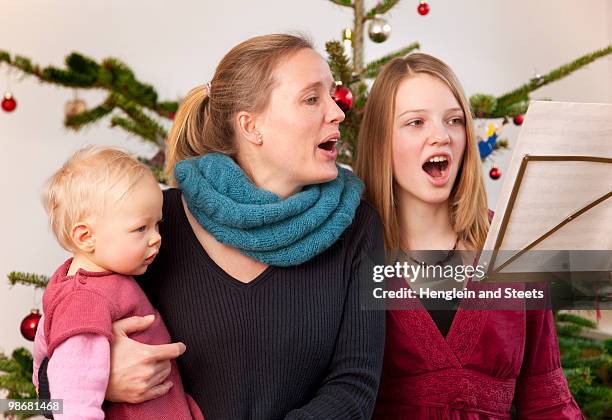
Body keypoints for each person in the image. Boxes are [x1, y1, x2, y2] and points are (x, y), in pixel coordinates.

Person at [35, 34, 386, 419]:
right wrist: (101, 380)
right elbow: (54, 364)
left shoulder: (356, 226)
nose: (337, 112)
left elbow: (355, 386)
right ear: (251, 127)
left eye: (332, 96)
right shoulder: (153, 227)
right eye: (312, 98)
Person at [355, 53, 583, 418]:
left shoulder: (513, 246)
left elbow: (546, 399)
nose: (441, 135)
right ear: (382, 140)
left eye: (455, 121)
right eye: (415, 122)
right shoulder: (350, 251)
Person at [33, 146, 204, 419]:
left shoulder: (77, 282)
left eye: (157, 225)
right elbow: (74, 403)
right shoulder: (86, 300)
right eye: (141, 228)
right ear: (85, 237)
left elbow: (43, 348)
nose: (156, 237)